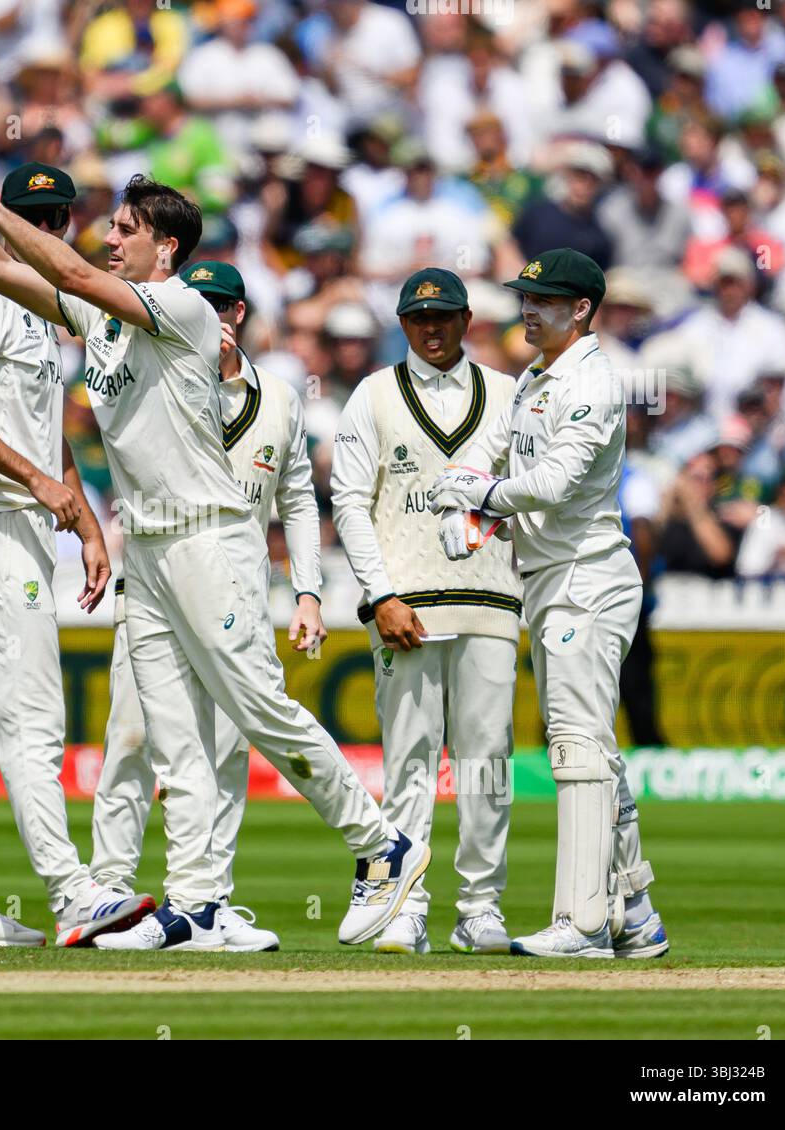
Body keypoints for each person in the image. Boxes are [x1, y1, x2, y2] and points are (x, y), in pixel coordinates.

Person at [0, 135, 427, 951]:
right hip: (149, 551)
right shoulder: (102, 316)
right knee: (172, 737)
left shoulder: (184, 306)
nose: (109, 236)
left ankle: (382, 843)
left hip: (212, 539)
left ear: (165, 246)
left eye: (125, 227)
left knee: (258, 708)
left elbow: (71, 274)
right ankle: (196, 904)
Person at [0, 158, 155, 948]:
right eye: (36, 221)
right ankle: (70, 890)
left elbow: (42, 435)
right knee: (35, 715)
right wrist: (42, 487)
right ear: (2, 221)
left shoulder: (39, 313)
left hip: (20, 524)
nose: (51, 233)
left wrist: (82, 519)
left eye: (58, 222)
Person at [427, 249, 668, 960]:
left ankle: (585, 922)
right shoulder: (536, 376)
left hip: (587, 579)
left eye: (545, 301)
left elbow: (557, 482)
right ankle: (637, 911)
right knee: (596, 751)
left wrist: (480, 500)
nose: (528, 311)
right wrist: (463, 496)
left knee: (575, 746)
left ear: (582, 309)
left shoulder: (592, 382)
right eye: (526, 298)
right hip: (552, 579)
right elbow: (497, 459)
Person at [90, 260, 326, 952]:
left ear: (240, 314)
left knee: (224, 748)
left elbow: (299, 499)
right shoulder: (155, 375)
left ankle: (207, 904)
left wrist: (307, 590)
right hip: (156, 583)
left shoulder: (279, 398)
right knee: (132, 737)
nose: (212, 319)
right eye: (199, 305)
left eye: (222, 307)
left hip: (235, 591)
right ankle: (108, 891)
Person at [331, 269, 520, 956]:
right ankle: (406, 906)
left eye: (444, 316)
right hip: (406, 607)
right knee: (408, 761)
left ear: (468, 319)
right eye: (418, 318)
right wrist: (380, 594)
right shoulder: (373, 394)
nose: (431, 328)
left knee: (486, 761)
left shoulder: (507, 394)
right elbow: (349, 501)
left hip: (492, 603)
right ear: (402, 322)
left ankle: (480, 908)